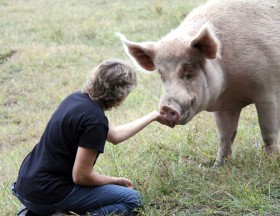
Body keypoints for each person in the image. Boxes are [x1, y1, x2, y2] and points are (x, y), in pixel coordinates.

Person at [12, 60, 171, 215]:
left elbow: (115, 135)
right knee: (132, 200)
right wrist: (115, 180)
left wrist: (153, 116)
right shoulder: (95, 121)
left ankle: (35, 211)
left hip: (26, 186)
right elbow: (81, 176)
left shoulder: (76, 98)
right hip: (48, 194)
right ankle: (48, 210)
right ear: (121, 93)